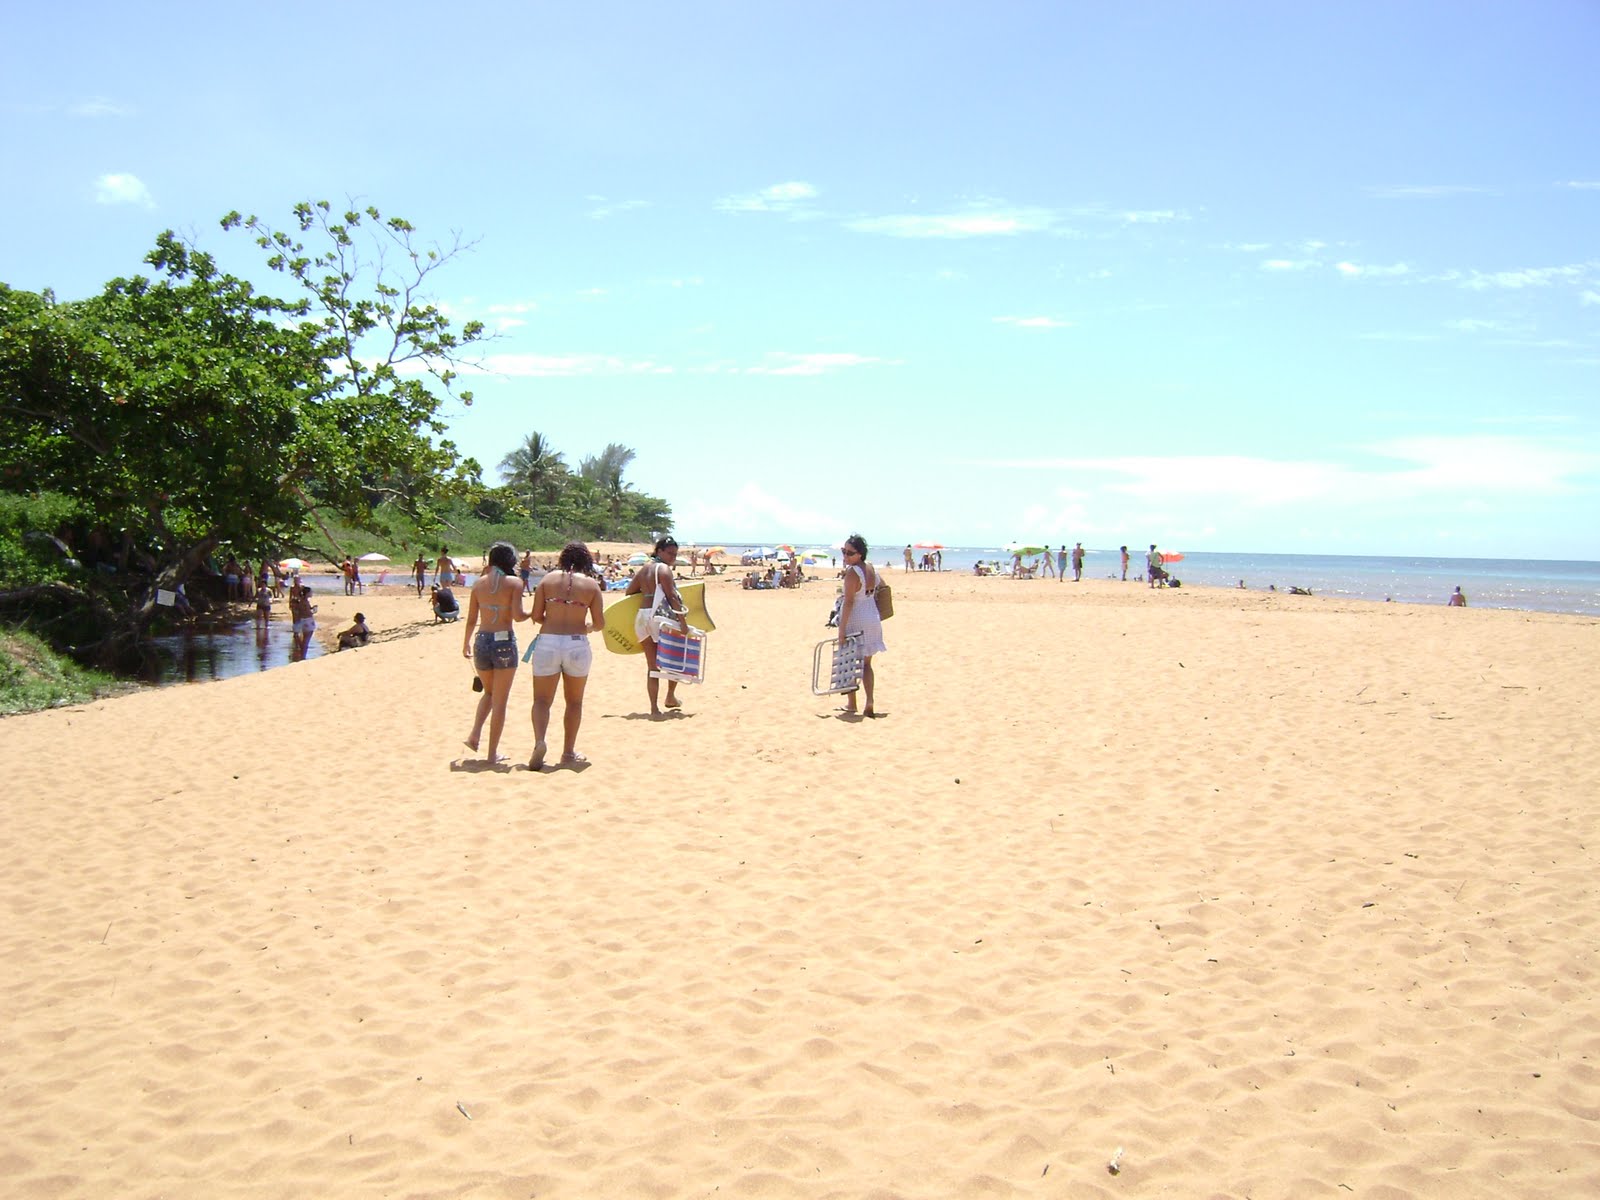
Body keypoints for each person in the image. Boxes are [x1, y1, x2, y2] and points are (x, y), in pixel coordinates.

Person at [525, 541, 606, 768]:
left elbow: (536, 615)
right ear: (586, 561)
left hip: (548, 641)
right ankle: (568, 752)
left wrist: (552, 619)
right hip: (577, 644)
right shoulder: (591, 585)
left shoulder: (547, 580)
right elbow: (600, 623)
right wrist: (587, 626)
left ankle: (540, 741)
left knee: (541, 700)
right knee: (574, 701)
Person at [461, 541, 528, 765]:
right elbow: (518, 616)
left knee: (489, 694)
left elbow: (471, 619)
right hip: (504, 643)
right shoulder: (514, 583)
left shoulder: (478, 584)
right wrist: (533, 613)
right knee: (500, 701)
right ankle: (492, 754)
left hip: (481, 640)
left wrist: (465, 643)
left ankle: (474, 734)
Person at [625, 535, 689, 717]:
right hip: (659, 619)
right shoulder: (664, 570)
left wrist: (647, 592)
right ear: (659, 551)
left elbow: (629, 591)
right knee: (674, 661)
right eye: (669, 553)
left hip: (642, 618)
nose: (672, 557)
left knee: (652, 667)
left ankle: (654, 708)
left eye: (675, 554)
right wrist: (683, 623)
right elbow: (672, 597)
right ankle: (670, 696)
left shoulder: (644, 569)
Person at [836, 533, 886, 717]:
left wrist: (842, 628)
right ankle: (870, 700)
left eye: (850, 553)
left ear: (860, 554)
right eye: (844, 551)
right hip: (872, 615)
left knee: (848, 661)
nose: (845, 556)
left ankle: (851, 704)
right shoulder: (871, 569)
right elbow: (882, 588)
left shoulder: (853, 572)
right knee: (867, 664)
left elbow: (849, 602)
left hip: (856, 618)